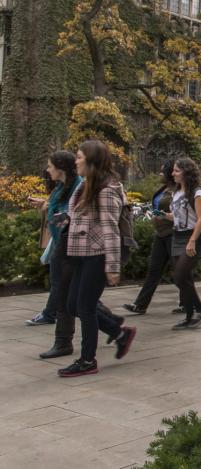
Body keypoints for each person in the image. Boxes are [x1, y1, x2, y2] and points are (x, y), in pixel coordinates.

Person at [58, 140, 136, 377]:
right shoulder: (85, 185)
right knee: (73, 304)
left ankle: (87, 360)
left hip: (98, 255)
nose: (76, 160)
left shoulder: (107, 189)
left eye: (79, 156)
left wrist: (112, 267)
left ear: (92, 160)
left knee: (85, 307)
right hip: (81, 254)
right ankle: (120, 332)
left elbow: (111, 229)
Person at [123, 160, 179, 315]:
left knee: (180, 271)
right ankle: (140, 304)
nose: (159, 174)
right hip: (161, 234)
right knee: (154, 270)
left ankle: (190, 303)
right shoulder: (163, 189)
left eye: (162, 171)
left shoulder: (177, 190)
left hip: (173, 234)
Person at [163, 158, 201, 330]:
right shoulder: (177, 192)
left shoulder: (197, 194)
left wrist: (192, 241)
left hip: (193, 238)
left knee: (180, 276)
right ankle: (190, 316)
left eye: (176, 171)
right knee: (184, 279)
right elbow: (178, 215)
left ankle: (200, 308)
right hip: (178, 236)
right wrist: (165, 216)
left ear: (186, 172)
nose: (173, 173)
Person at [25, 170, 58, 325]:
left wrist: (46, 204)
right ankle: (51, 313)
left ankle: (50, 313)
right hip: (58, 240)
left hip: (61, 241)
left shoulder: (70, 186)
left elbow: (63, 209)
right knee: (62, 282)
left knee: (59, 280)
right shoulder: (62, 188)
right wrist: (44, 203)